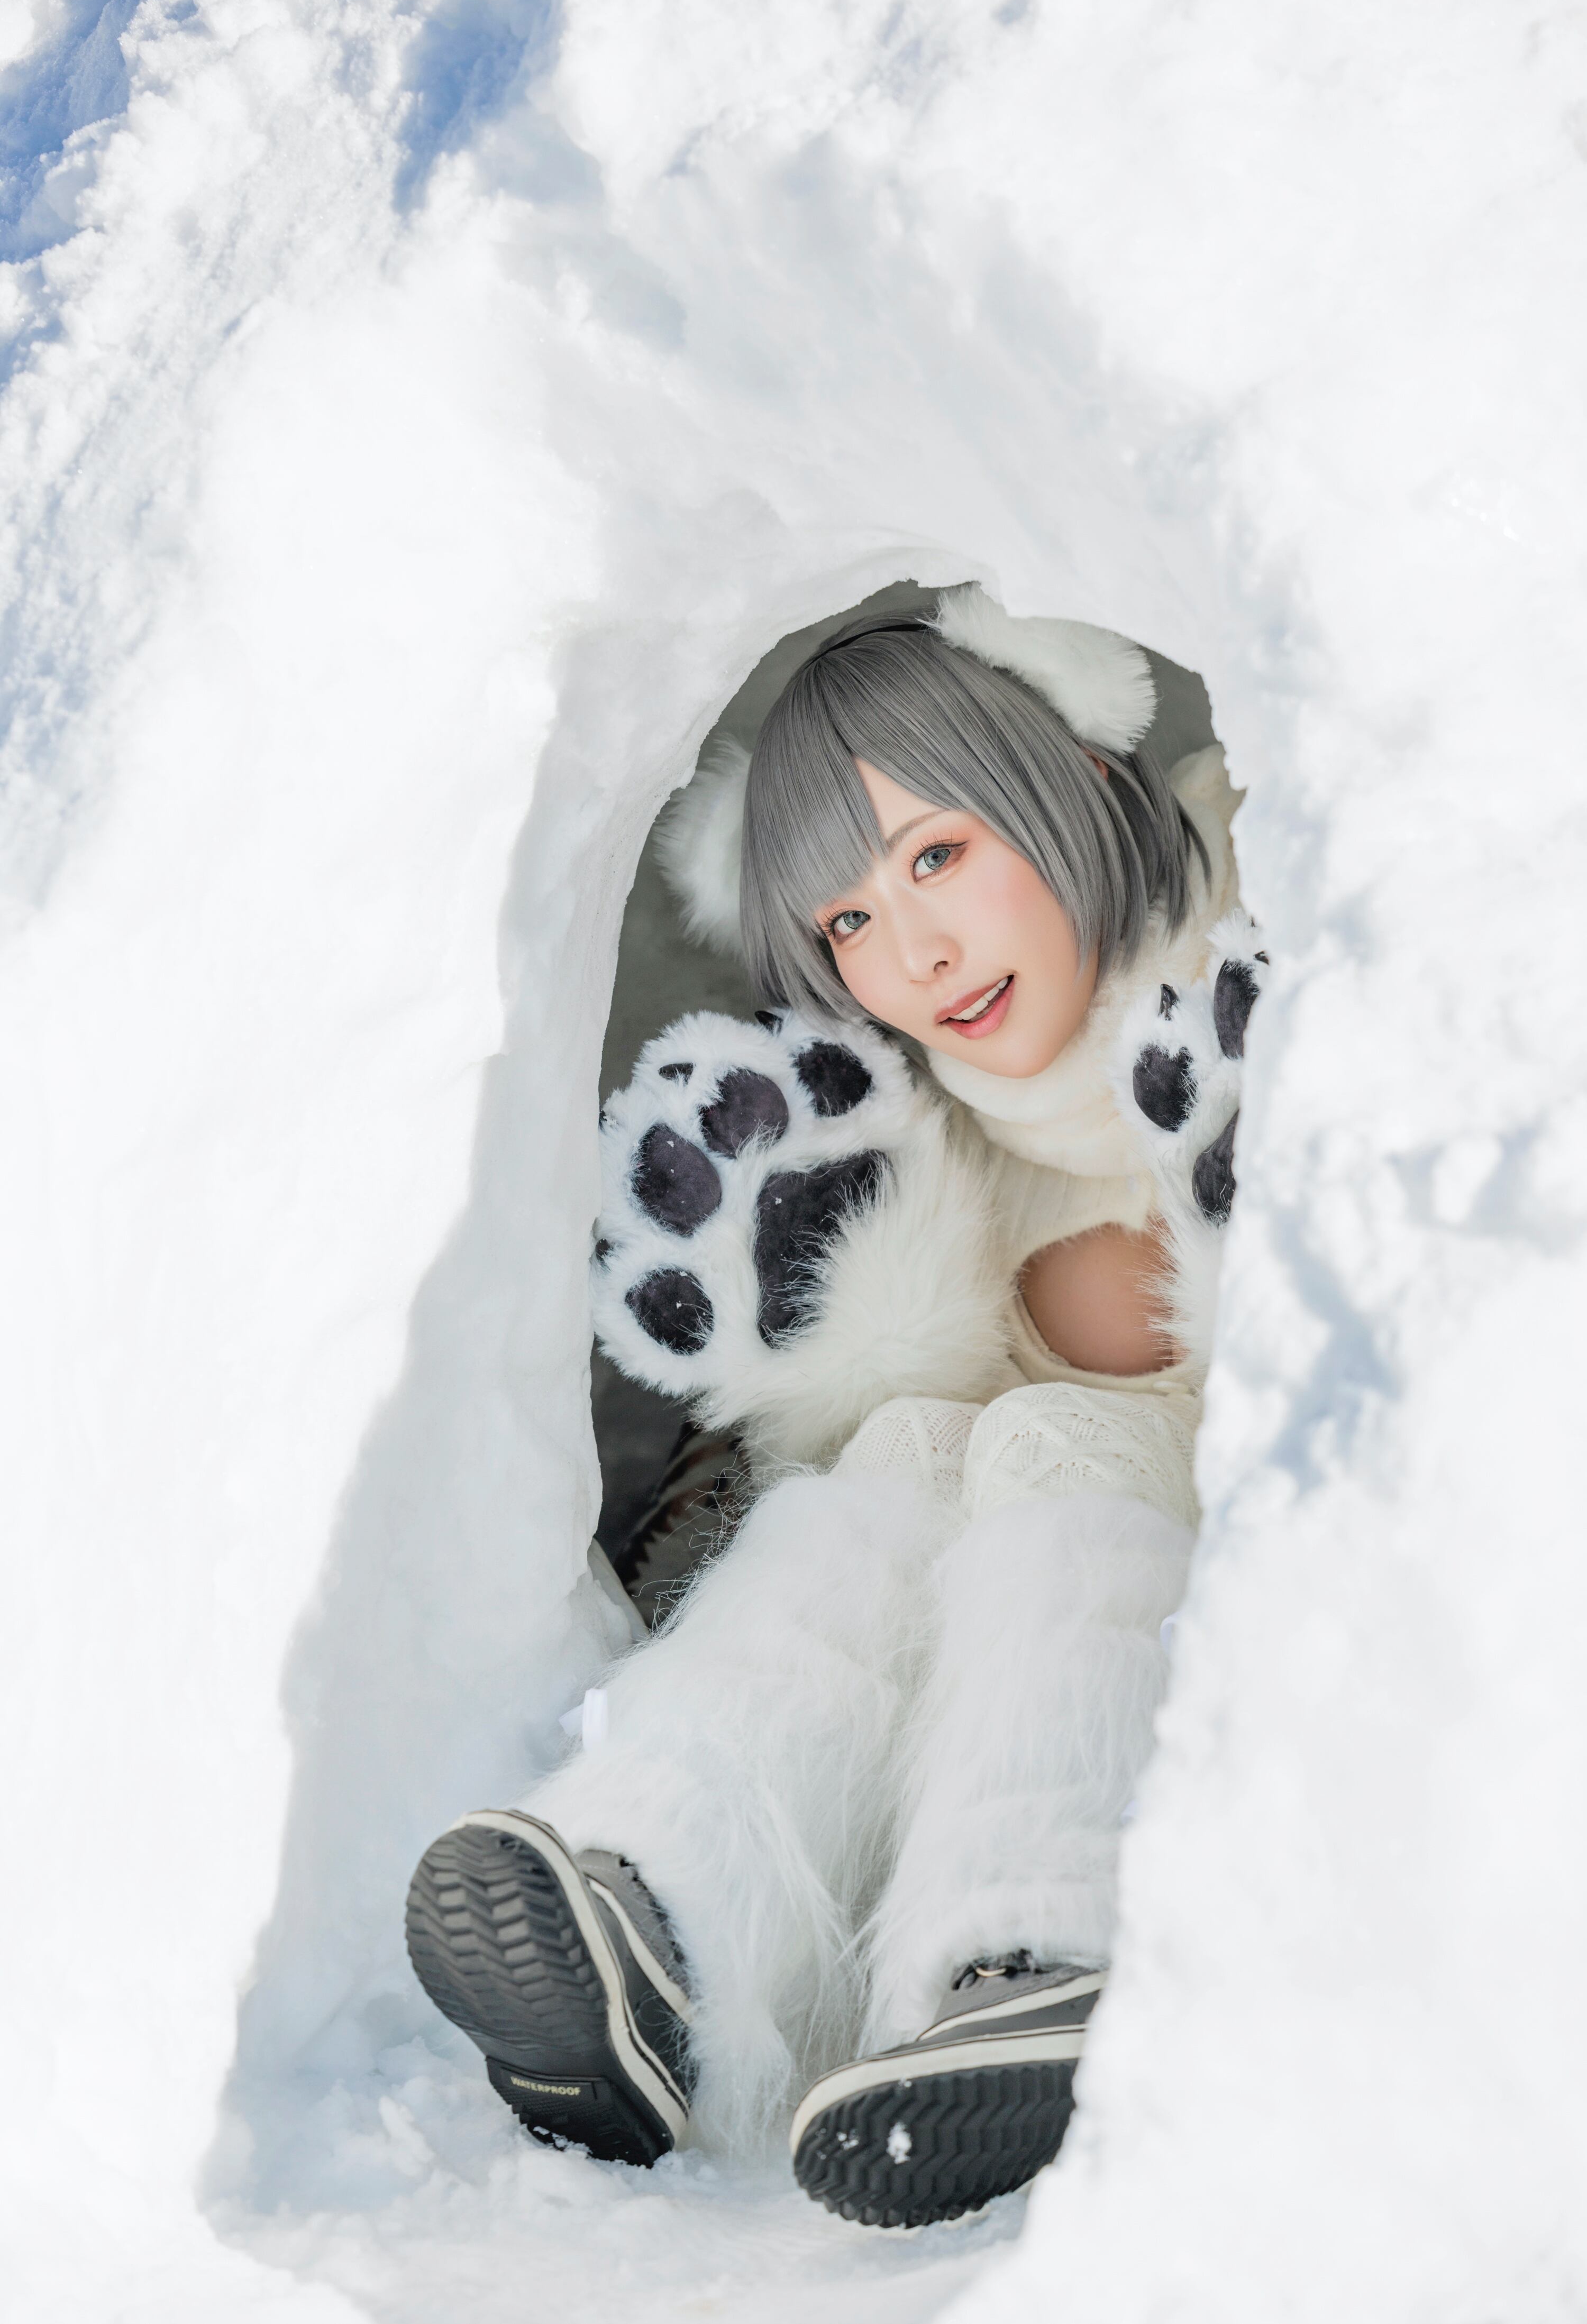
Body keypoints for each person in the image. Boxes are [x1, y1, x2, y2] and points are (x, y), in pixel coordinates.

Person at [405, 588, 1255, 2228]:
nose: (911, 953)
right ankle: (663, 1918)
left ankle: (1035, 1941)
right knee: (904, 1446)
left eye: (938, 854)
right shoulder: (921, 1120)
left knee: (1051, 1436)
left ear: (1081, 770)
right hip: (1011, 1591)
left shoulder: (1261, 891)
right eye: (848, 920)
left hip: (1240, 1585)